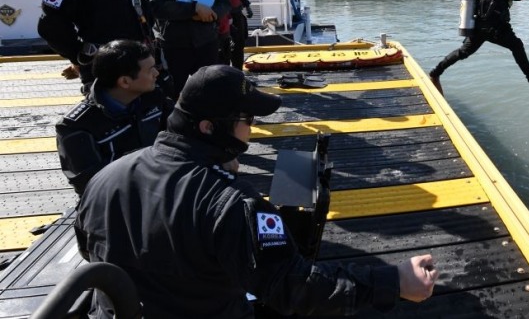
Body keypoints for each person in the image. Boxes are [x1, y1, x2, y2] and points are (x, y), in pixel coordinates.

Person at [75, 65, 438, 318]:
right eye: (246, 121)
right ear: (208, 127)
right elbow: (292, 287)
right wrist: (394, 280)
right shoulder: (232, 203)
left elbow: (89, 250)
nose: (250, 130)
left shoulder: (106, 176)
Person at [55, 40, 172, 196]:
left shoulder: (154, 98)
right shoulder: (75, 126)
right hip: (114, 203)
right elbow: (88, 183)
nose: (157, 73)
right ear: (125, 81)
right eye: (151, 69)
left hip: (160, 190)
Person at [429, 0, 529, 90]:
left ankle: (435, 72)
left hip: (478, 27)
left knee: (462, 52)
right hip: (496, 28)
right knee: (517, 45)